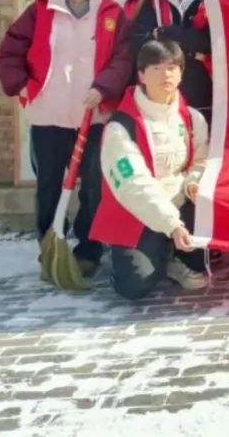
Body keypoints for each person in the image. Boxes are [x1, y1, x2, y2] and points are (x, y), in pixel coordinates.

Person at [0, 0, 132, 276]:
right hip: (50, 115)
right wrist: (23, 86)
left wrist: (103, 88)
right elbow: (9, 52)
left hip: (94, 116)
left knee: (94, 186)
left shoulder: (110, 12)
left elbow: (123, 58)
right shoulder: (41, 10)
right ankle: (50, 244)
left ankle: (89, 248)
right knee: (50, 186)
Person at [90, 40, 210, 299]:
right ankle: (151, 255)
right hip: (139, 209)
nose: (166, 75)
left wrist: (193, 181)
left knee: (202, 261)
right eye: (156, 68)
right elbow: (134, 184)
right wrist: (171, 225)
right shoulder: (120, 127)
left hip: (180, 201)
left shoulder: (192, 118)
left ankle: (171, 256)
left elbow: (201, 161)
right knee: (134, 286)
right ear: (142, 75)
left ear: (181, 73)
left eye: (172, 68)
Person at [132, 0, 213, 121]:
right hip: (159, 89)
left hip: (201, 90)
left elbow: (212, 44)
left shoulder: (213, 1)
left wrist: (179, 35)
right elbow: (139, 40)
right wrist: (192, 51)